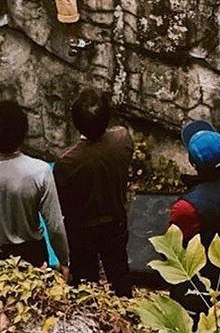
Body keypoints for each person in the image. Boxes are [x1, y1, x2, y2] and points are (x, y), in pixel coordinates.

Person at [0, 101, 69, 277]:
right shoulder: (40, 171)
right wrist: (64, 260)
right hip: (31, 256)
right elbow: (55, 226)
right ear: (23, 133)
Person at [169, 120, 220, 322]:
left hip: (195, 279)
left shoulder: (187, 207)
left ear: (194, 163)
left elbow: (175, 247)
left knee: (192, 321)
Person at [53, 89, 134, 297]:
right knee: (119, 272)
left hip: (82, 229)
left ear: (75, 122)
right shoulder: (122, 139)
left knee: (84, 281)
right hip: (115, 219)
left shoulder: (67, 162)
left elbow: (63, 202)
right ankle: (127, 311)